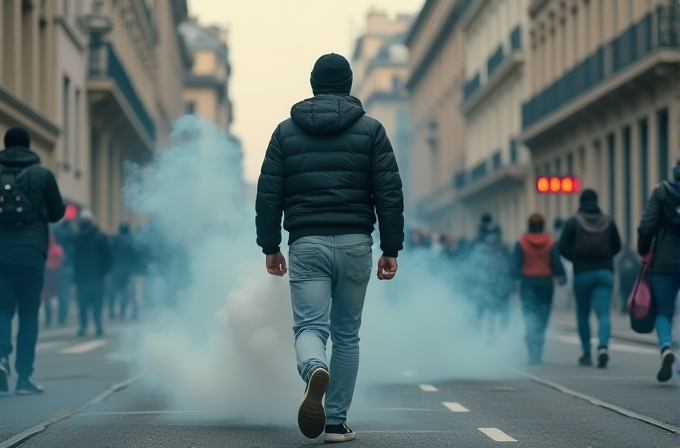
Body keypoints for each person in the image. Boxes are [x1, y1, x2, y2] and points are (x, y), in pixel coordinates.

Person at [255, 53, 404, 443]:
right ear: (350, 85)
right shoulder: (372, 130)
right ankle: (336, 423)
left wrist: (270, 245)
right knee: (348, 334)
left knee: (310, 327)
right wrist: (391, 248)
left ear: (313, 84)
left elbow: (268, 194)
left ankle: (313, 368)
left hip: (306, 243)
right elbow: (389, 194)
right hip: (356, 243)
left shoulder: (285, 131)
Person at [0, 126, 66, 394]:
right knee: (28, 313)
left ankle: (1, 359)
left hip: (1, 253)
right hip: (32, 252)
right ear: (29, 146)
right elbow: (57, 212)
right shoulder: (42, 174)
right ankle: (24, 379)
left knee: (2, 309)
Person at [559, 189, 621, 368]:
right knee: (603, 313)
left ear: (581, 202)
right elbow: (617, 245)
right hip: (605, 272)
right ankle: (603, 346)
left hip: (582, 274)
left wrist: (577, 260)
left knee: (582, 314)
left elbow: (562, 247)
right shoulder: (608, 221)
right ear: (596, 201)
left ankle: (586, 352)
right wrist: (605, 258)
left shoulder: (573, 222)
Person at [637, 160, 680, 382]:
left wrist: (643, 250)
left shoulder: (661, 192)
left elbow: (647, 226)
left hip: (663, 261)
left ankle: (666, 348)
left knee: (664, 312)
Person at [513, 213, 566, 365]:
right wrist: (561, 276)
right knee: (543, 316)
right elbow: (556, 261)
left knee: (529, 315)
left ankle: (531, 350)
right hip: (545, 283)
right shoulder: (550, 242)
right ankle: (539, 349)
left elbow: (515, 264)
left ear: (529, 225)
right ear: (543, 225)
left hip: (527, 283)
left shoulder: (521, 242)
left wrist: (511, 281)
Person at [73, 211, 113, 337]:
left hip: (82, 278)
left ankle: (83, 327)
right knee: (97, 305)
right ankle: (98, 326)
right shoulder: (101, 237)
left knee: (82, 305)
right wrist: (104, 272)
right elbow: (108, 258)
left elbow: (73, 258)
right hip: (97, 277)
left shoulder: (77, 238)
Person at [109, 223, 140, 320]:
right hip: (129, 270)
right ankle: (123, 311)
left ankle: (112, 311)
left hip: (116, 269)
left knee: (114, 291)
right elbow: (136, 256)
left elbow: (110, 254)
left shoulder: (115, 240)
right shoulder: (133, 240)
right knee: (126, 291)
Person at [42, 234, 65, 326]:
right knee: (61, 296)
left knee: (46, 297)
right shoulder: (58, 250)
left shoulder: (44, 250)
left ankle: (49, 318)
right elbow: (62, 260)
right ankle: (61, 317)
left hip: (46, 274)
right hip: (57, 274)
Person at [617, 244, 641, 314]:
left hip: (625, 279)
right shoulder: (633, 257)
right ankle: (627, 308)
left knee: (625, 294)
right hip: (630, 279)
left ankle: (625, 308)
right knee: (628, 293)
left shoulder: (623, 258)